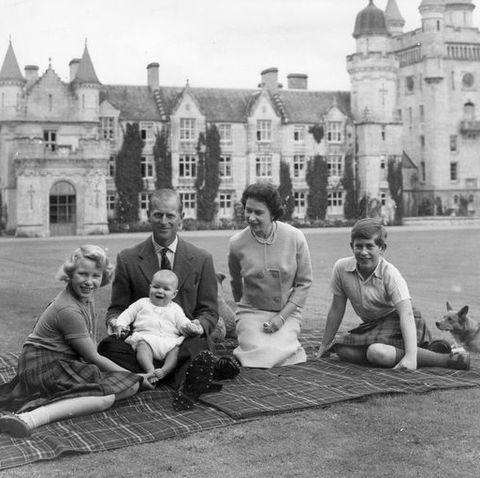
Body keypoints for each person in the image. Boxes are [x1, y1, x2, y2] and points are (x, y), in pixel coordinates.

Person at [98, 189, 239, 410]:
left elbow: (209, 312)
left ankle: (155, 375)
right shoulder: (128, 258)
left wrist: (198, 326)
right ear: (148, 214)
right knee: (107, 347)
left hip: (183, 342)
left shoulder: (201, 259)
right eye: (158, 215)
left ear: (181, 217)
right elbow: (117, 308)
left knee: (199, 344)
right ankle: (190, 375)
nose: (164, 221)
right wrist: (115, 323)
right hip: (143, 344)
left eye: (170, 215)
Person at [0, 245, 153, 438]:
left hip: (62, 361)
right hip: (41, 364)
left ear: (103, 277)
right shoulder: (68, 310)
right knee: (107, 397)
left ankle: (53, 402)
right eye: (82, 274)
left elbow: (92, 344)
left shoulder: (87, 297)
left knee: (128, 385)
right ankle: (29, 418)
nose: (89, 282)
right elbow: (93, 357)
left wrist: (132, 378)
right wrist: (138, 376)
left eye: (96, 276)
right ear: (70, 274)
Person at [317, 218, 470, 371]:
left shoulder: (390, 274)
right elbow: (337, 308)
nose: (364, 252)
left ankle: (447, 359)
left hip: (401, 321)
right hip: (372, 326)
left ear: (382, 248)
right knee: (341, 349)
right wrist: (325, 344)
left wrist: (410, 358)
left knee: (376, 352)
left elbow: (407, 313)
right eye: (359, 246)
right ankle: (427, 351)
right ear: (352, 247)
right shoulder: (341, 268)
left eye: (370, 246)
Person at [228, 182, 313, 368]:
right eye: (248, 210)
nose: (251, 217)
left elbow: (304, 283)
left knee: (280, 351)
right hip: (252, 311)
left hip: (286, 312)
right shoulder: (236, 243)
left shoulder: (295, 237)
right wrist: (244, 314)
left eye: (258, 212)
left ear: (273, 213)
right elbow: (236, 284)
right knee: (257, 351)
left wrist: (282, 317)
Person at [113, 269, 203, 381]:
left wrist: (190, 326)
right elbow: (128, 313)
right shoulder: (142, 303)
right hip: (147, 338)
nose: (160, 291)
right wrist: (121, 324)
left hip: (169, 342)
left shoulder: (175, 308)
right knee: (142, 348)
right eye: (156, 287)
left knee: (176, 351)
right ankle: (150, 370)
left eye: (166, 289)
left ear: (174, 293)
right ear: (150, 287)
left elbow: (182, 322)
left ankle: (165, 370)